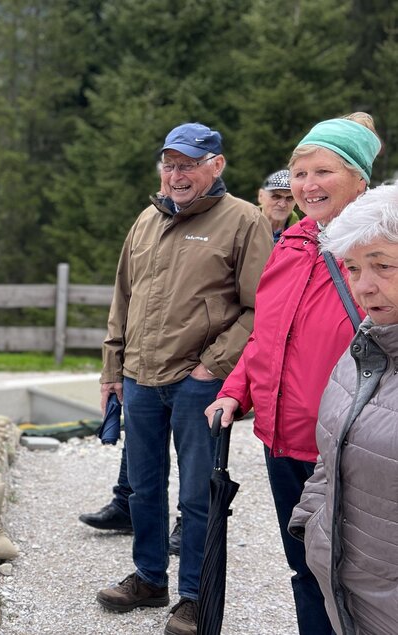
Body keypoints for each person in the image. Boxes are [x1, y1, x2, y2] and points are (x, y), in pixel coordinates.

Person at [205, 113, 380, 635]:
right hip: (282, 439)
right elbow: (267, 334)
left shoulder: (378, 250)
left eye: (323, 172)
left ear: (359, 180)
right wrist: (235, 391)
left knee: (357, 576)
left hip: (349, 444)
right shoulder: (293, 242)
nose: (307, 185)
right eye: (299, 173)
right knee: (304, 568)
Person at [95, 122, 272, 635]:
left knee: (197, 495)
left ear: (216, 166)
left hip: (200, 382)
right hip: (140, 378)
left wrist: (212, 367)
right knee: (144, 489)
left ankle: (194, 596)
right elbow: (121, 300)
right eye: (170, 164)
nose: (177, 174)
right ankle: (150, 578)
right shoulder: (146, 220)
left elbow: (260, 306)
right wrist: (113, 370)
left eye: (189, 164)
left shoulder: (244, 220)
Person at [288, 182, 398, 635]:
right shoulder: (367, 348)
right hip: (349, 596)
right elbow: (334, 447)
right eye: (352, 268)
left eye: (383, 266)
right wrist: (313, 525)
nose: (363, 286)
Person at [258, 168, 300, 243]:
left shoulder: (303, 235)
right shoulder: (244, 227)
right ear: (261, 196)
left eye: (289, 198)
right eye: (276, 197)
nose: (282, 204)